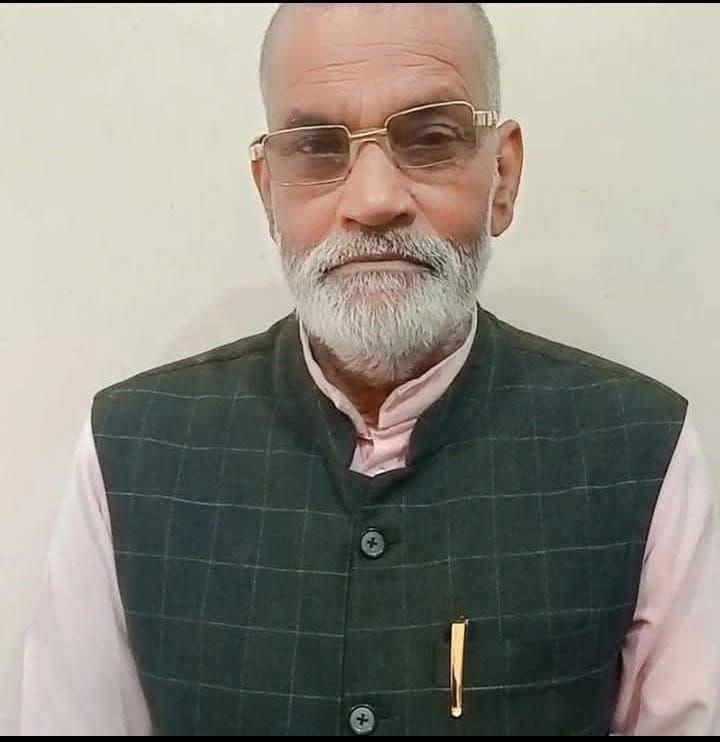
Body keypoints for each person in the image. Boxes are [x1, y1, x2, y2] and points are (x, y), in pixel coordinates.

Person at [17, 3, 720, 736]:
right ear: (268, 191)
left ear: (503, 177)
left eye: (431, 140)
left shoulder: (639, 449)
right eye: (318, 149)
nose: (375, 201)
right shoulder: (133, 451)